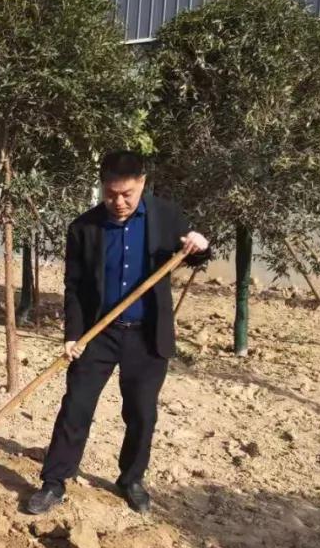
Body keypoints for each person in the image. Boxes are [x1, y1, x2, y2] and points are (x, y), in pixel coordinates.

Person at [26, 150, 210, 516]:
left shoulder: (166, 216)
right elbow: (74, 286)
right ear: (102, 187)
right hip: (98, 333)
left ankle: (131, 480)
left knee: (142, 413)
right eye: (111, 194)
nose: (119, 202)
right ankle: (54, 482)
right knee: (76, 407)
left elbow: (190, 255)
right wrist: (73, 334)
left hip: (146, 335)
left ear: (142, 183)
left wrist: (199, 247)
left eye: (127, 194)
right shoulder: (84, 228)